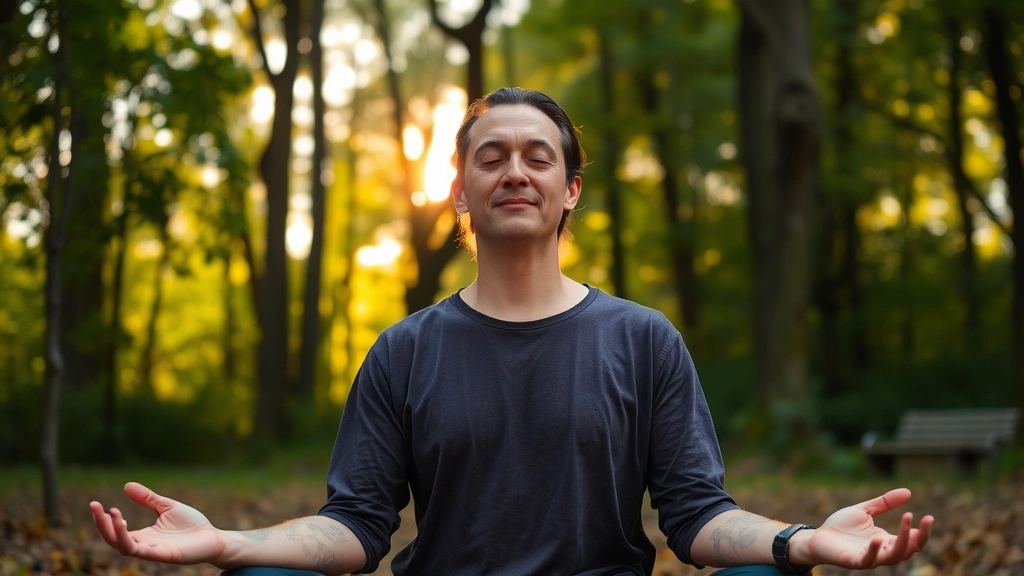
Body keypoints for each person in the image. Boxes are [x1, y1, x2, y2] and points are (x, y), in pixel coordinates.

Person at [90, 87, 933, 576]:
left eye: (539, 156)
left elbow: (696, 514)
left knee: (764, 574)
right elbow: (356, 525)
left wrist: (800, 540)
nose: (516, 171)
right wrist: (230, 543)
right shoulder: (404, 351)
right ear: (459, 193)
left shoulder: (643, 339)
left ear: (571, 189)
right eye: (490, 157)